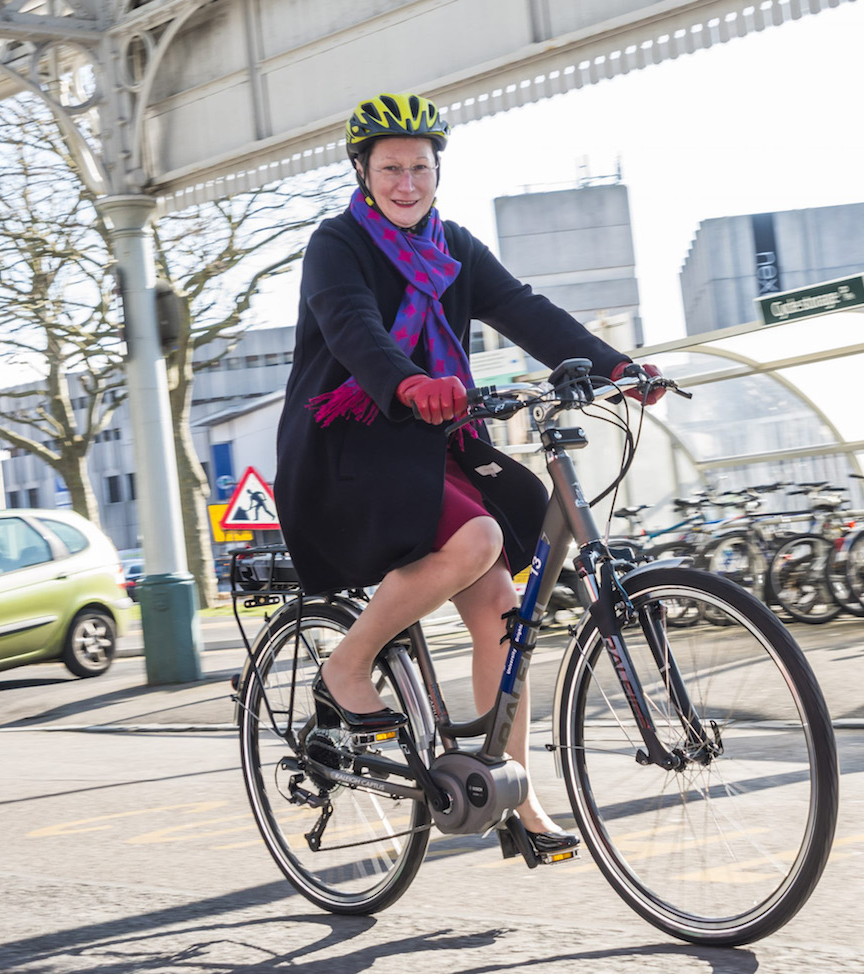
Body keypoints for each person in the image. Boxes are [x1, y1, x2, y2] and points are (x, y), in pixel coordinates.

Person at [274, 92, 662, 856]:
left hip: (433, 441)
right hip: (351, 449)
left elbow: (527, 310)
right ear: (363, 171)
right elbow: (352, 327)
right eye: (391, 168)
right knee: (480, 536)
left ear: (437, 171)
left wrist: (617, 367)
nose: (407, 183)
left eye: (421, 167)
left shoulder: (456, 248)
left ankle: (512, 793)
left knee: (502, 615)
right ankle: (347, 666)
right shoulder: (336, 245)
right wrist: (409, 382)